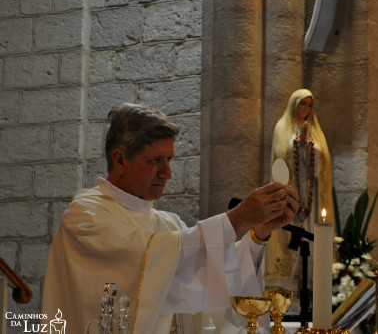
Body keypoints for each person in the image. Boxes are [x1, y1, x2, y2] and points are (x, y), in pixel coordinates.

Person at [41, 103, 299, 333]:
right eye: (155, 161)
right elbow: (147, 260)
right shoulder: (85, 217)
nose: (167, 173)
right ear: (120, 159)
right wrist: (237, 219)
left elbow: (214, 281)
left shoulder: (169, 224)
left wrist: (258, 234)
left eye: (169, 160)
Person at [264, 89, 333, 305]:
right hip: (289, 197)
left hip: (311, 197)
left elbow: (323, 164)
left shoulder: (316, 133)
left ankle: (311, 289)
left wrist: (309, 145)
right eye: (302, 104)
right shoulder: (281, 128)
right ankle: (285, 289)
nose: (305, 109)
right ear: (294, 105)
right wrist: (300, 143)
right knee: (288, 237)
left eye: (309, 105)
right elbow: (280, 157)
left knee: (311, 237)